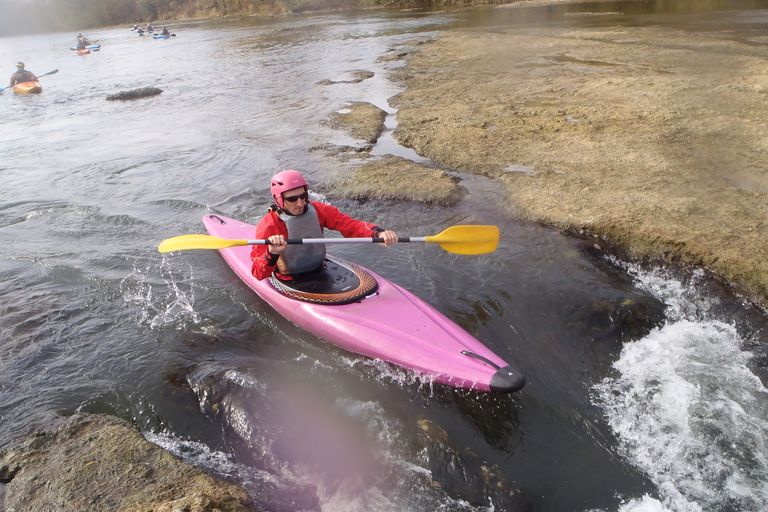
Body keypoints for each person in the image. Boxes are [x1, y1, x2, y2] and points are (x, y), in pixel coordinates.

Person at [251, 170, 398, 281]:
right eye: (292, 199)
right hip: (289, 278)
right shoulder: (268, 225)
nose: (300, 203)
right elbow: (258, 273)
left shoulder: (319, 210)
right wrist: (272, 253)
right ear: (278, 199)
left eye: (303, 196)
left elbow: (350, 225)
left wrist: (378, 233)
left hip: (319, 267)